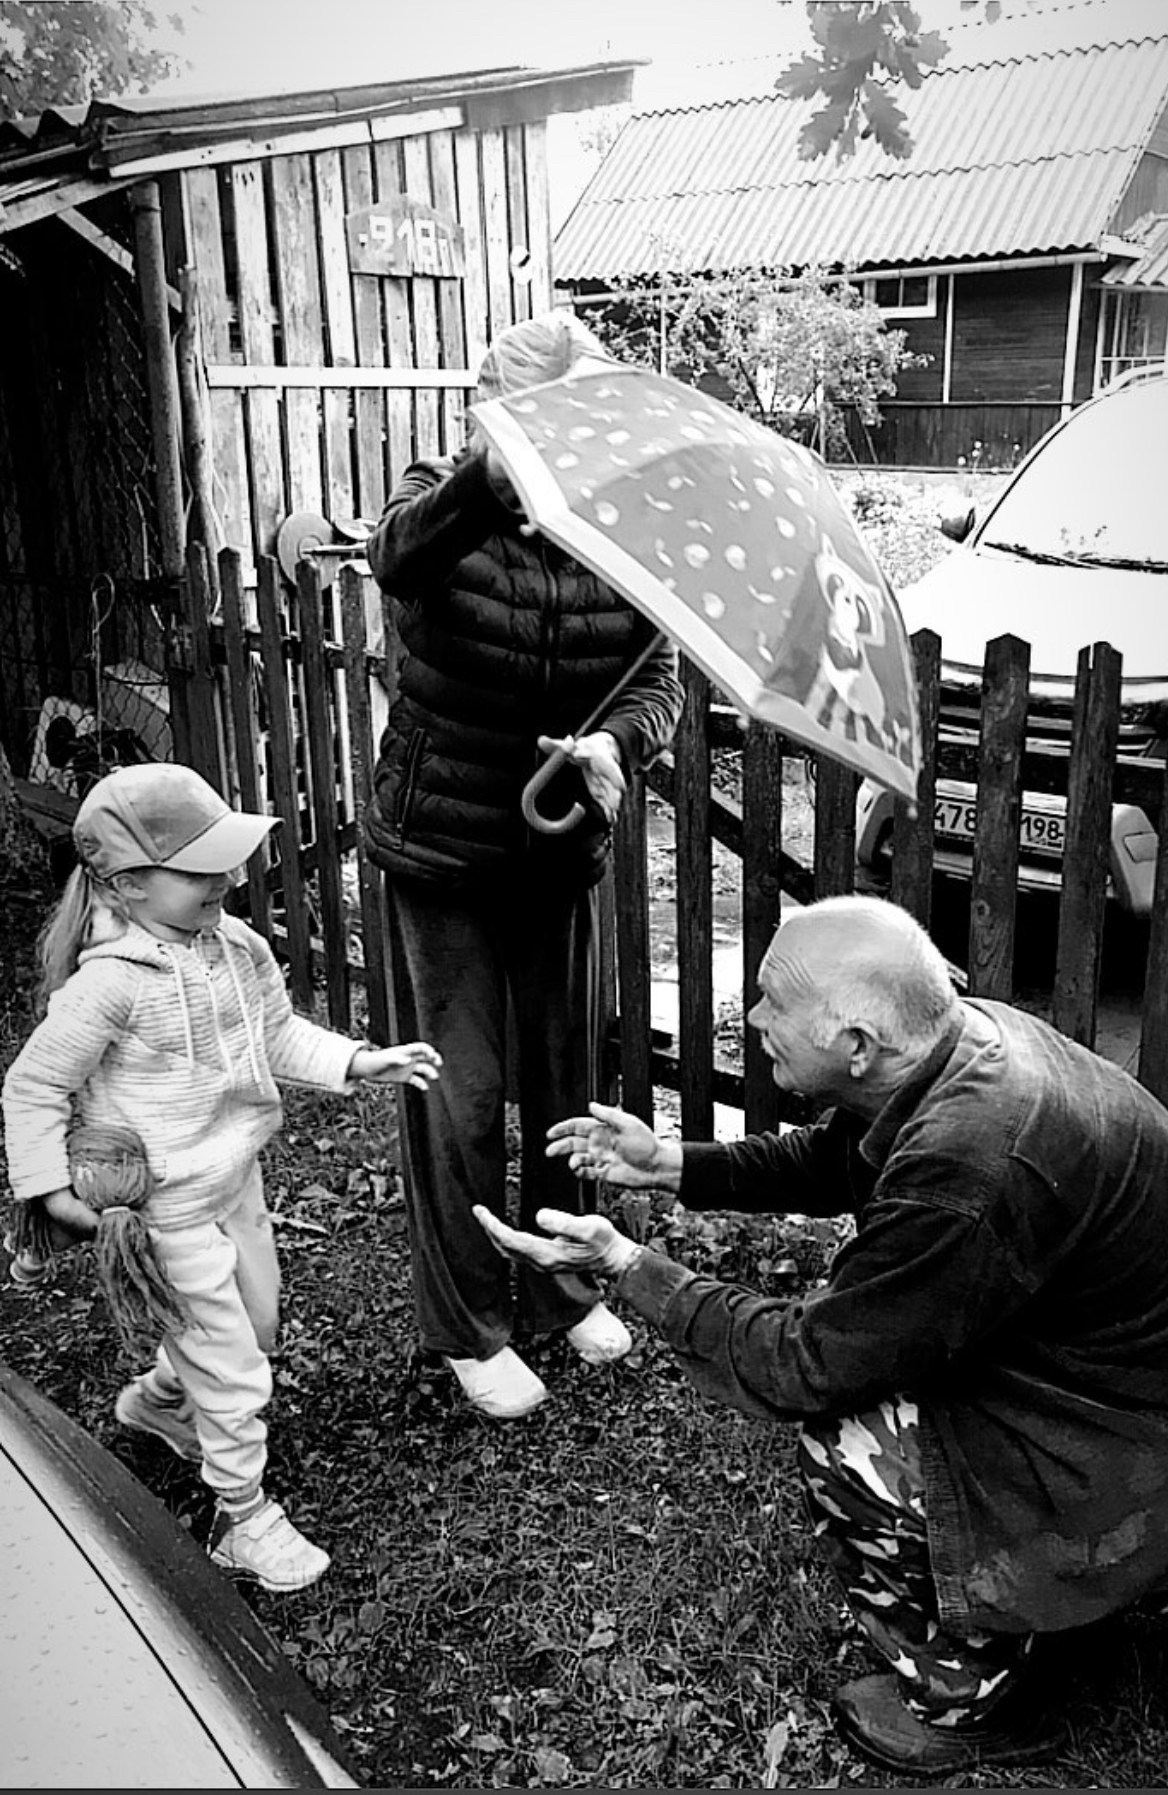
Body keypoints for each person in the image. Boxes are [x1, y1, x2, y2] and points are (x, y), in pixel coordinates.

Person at [475, 893, 1168, 1774]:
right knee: (874, 1329)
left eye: (774, 1003)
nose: (752, 1019)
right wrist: (671, 1164)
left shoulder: (969, 1161)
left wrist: (632, 1267)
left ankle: (975, 1695)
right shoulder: (957, 1043)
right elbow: (843, 1157)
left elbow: (804, 1366)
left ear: (858, 1045)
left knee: (848, 1437)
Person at [1, 763, 441, 1594]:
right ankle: (243, 1517)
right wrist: (46, 1190)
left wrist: (359, 1059)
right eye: (199, 867)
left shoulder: (239, 947)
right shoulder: (109, 986)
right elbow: (33, 1085)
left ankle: (165, 1401)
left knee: (260, 1326)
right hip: (166, 1210)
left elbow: (275, 1037)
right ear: (128, 884)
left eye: (225, 860)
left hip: (234, 1185)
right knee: (237, 1369)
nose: (226, 879)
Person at [362, 309, 683, 1421]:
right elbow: (396, 553)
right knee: (461, 1096)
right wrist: (495, 475)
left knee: (561, 1086)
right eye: (555, 425)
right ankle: (468, 1321)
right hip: (443, 852)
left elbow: (660, 673)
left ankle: (563, 1281)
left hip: (556, 856)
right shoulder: (441, 502)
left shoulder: (625, 527)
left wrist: (616, 743)